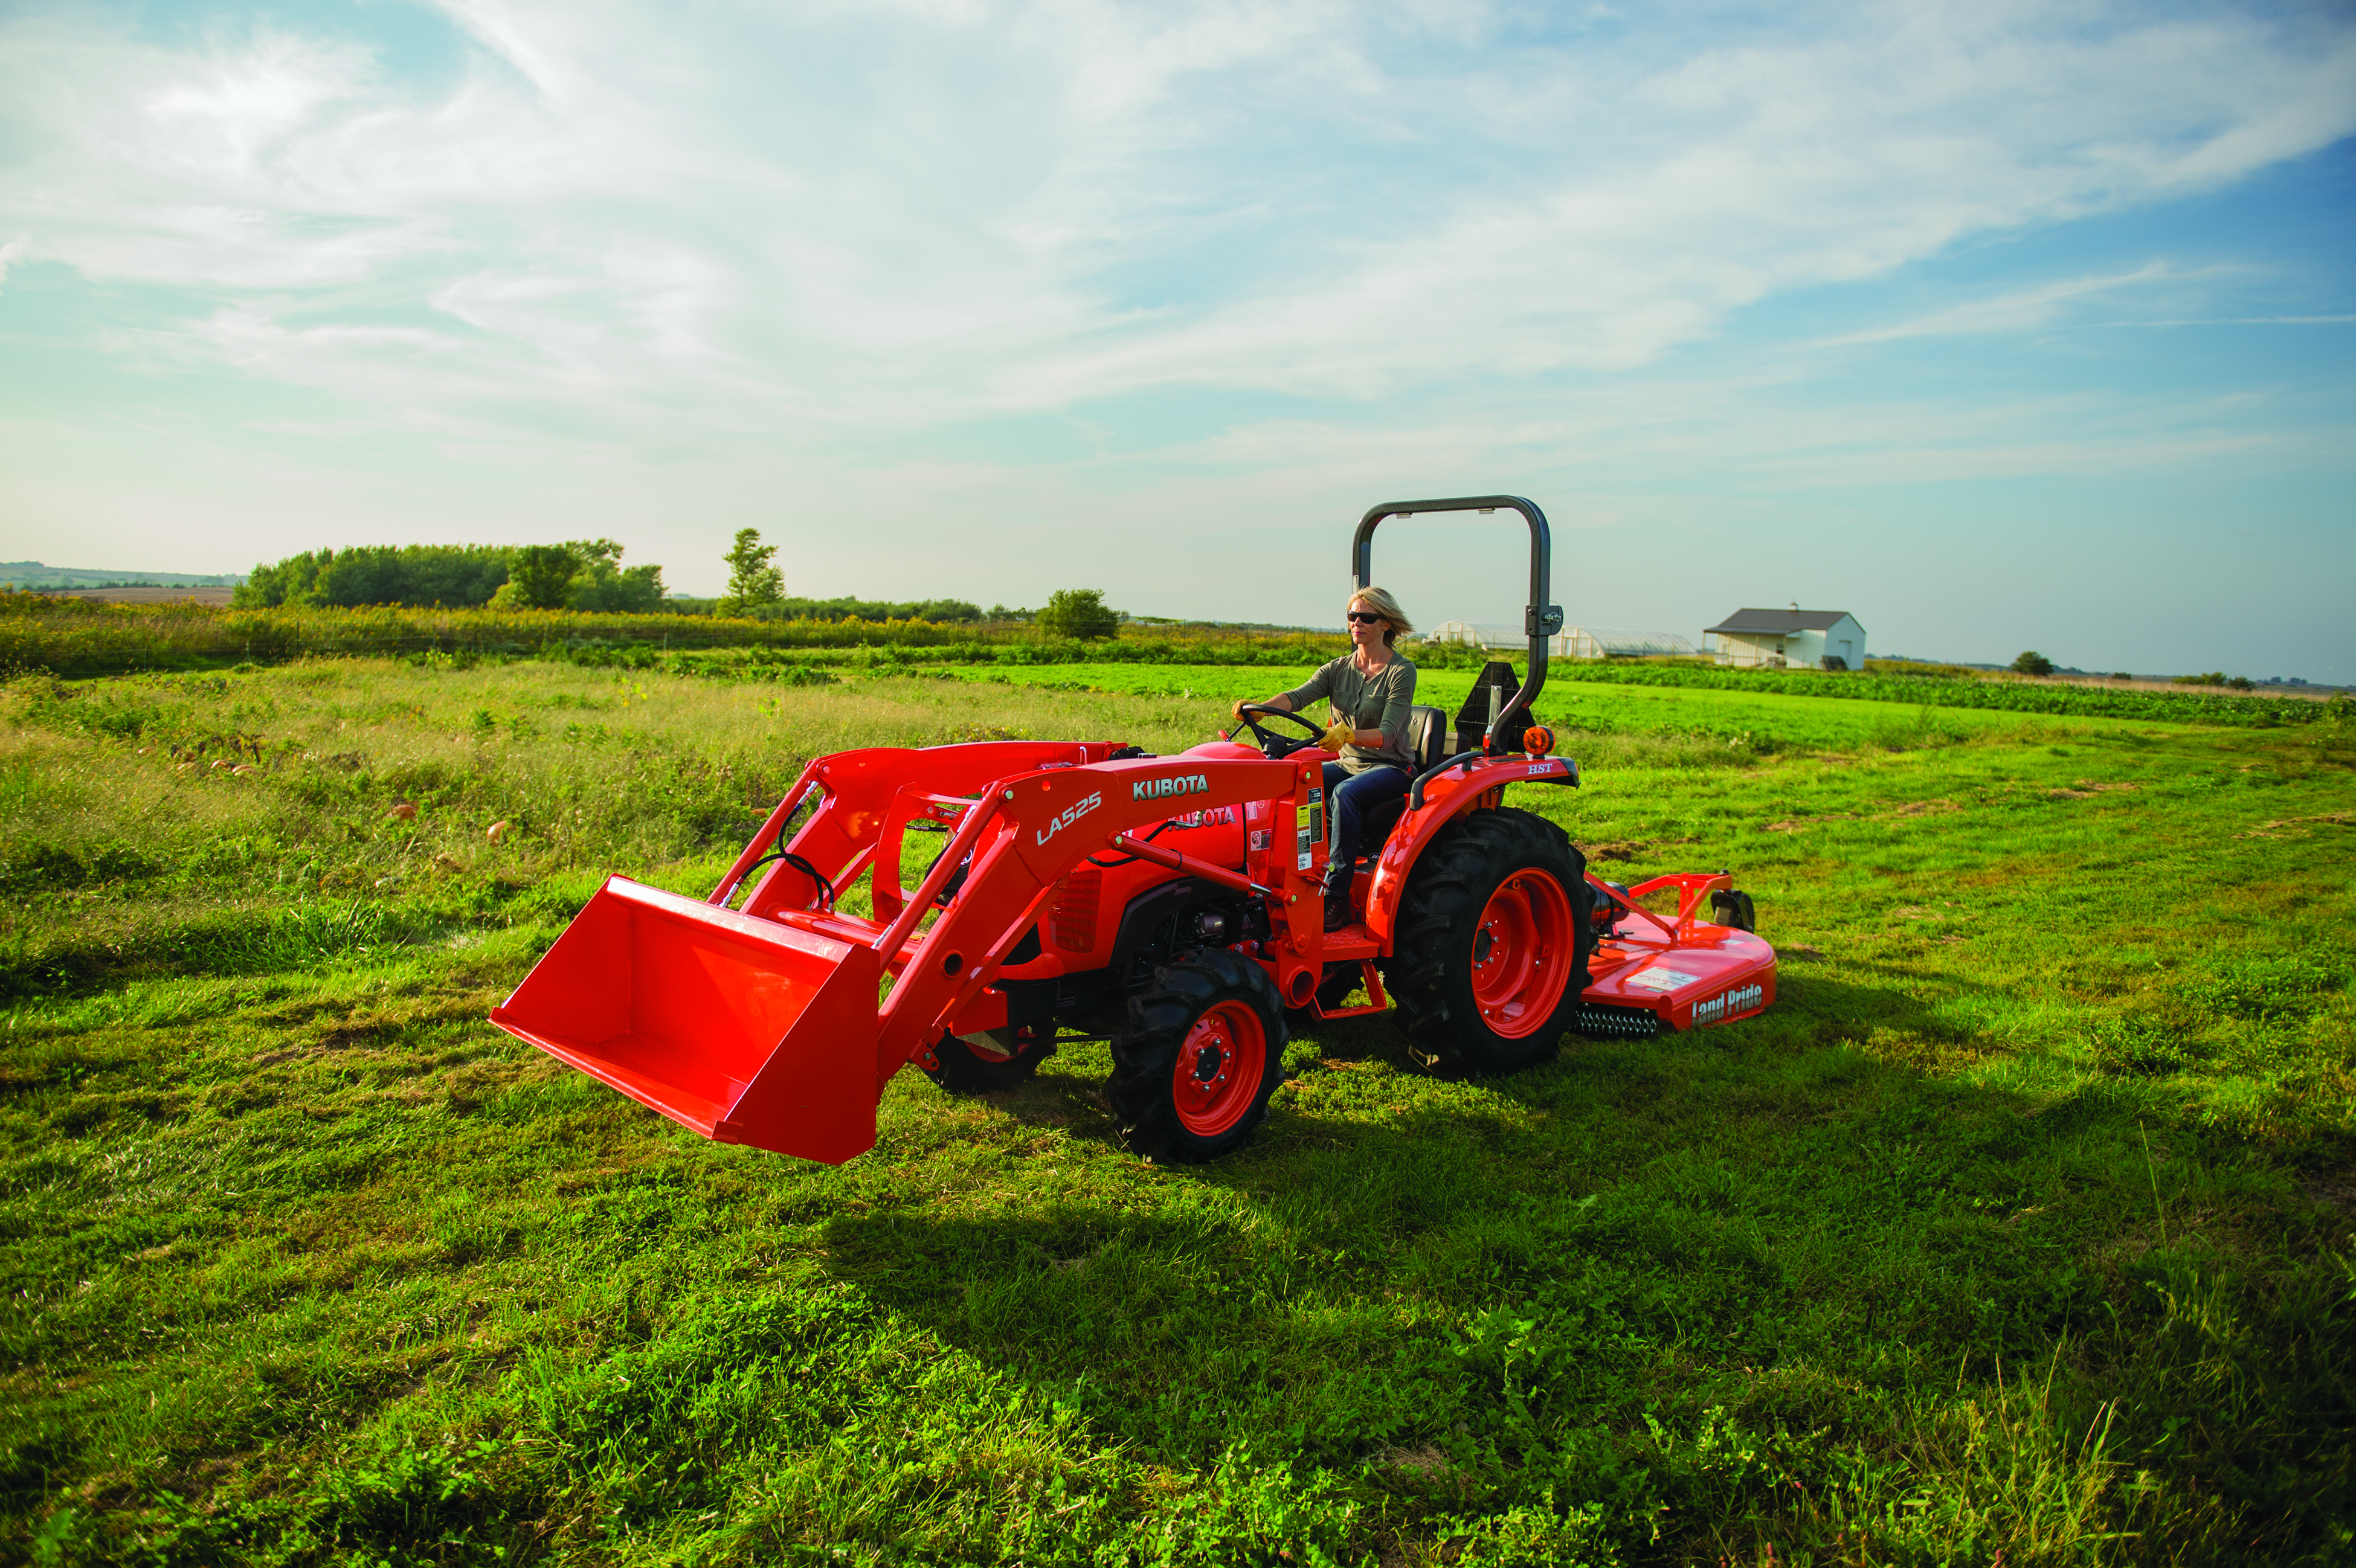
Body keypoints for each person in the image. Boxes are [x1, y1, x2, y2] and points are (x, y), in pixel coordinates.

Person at [1231, 586, 1417, 930]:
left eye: (1367, 617)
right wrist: (1262, 710)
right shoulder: (1337, 669)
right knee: (1291, 777)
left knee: (1346, 794)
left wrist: (1347, 735)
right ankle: (1277, 876)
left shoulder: (1401, 672)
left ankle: (1336, 896)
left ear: (1386, 624)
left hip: (1390, 766)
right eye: (1352, 616)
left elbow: (1388, 734)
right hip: (1347, 762)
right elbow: (1297, 697)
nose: (1357, 623)